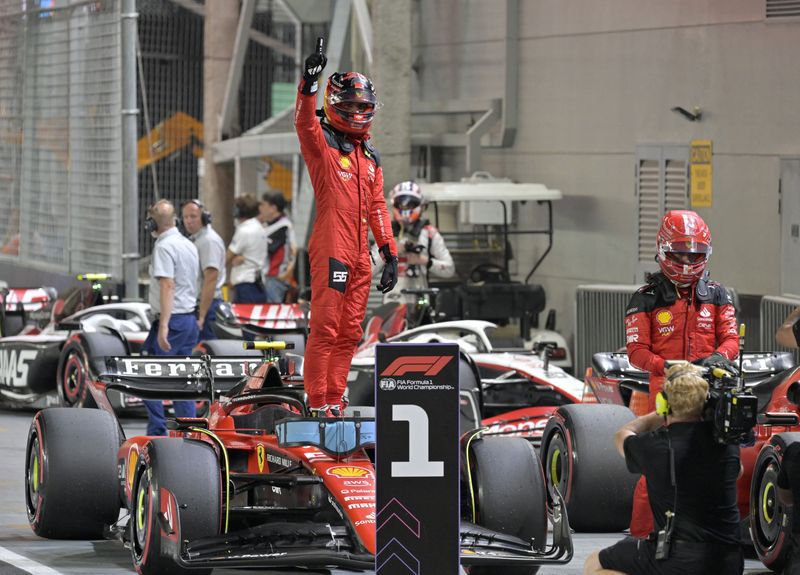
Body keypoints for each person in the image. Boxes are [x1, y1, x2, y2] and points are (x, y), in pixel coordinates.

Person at [295, 42, 398, 417]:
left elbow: (377, 206)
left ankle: (336, 400)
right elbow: (304, 123)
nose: (357, 112)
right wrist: (308, 83)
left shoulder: (369, 155)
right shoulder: (321, 145)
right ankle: (318, 400)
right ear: (336, 103)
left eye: (363, 106)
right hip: (331, 247)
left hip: (360, 255)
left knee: (351, 331)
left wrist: (389, 251)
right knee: (324, 328)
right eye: (351, 105)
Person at [624, 209, 739, 537]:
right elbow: (637, 353)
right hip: (665, 392)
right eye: (680, 253)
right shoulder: (645, 299)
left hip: (709, 388)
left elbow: (731, 340)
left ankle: (702, 534)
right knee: (658, 468)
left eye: (695, 254)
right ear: (662, 249)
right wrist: (669, 367)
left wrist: (716, 359)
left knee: (712, 464)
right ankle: (644, 536)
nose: (688, 261)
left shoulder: (718, 295)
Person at [584, 362, 743, 575]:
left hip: (679, 559)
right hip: (729, 561)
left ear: (664, 404)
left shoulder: (654, 446)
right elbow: (738, 471)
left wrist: (658, 415)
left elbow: (622, 435)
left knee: (594, 563)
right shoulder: (726, 444)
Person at [143, 199, 200, 436]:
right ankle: (188, 429)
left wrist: (164, 325)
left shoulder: (164, 247)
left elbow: (168, 284)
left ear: (152, 223)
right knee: (182, 378)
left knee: (149, 374)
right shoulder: (188, 244)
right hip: (188, 319)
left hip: (172, 320)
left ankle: (157, 429)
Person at [372, 181, 455, 305]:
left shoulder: (429, 233)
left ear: (421, 205)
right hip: (391, 302)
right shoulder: (385, 233)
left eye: (410, 204)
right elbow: (368, 271)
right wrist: (389, 252)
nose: (405, 207)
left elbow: (449, 269)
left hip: (420, 300)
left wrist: (423, 260)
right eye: (401, 203)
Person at [182, 199, 226, 340]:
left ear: (204, 218)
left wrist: (201, 315)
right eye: (185, 217)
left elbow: (210, 279)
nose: (189, 221)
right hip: (200, 304)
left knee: (208, 352)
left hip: (207, 306)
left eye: (193, 216)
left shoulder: (208, 241)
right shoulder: (196, 240)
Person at [227, 194, 268, 303]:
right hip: (258, 283)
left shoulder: (244, 230)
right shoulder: (259, 227)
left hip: (246, 285)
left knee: (243, 318)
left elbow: (228, 256)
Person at [260, 191, 296, 303]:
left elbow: (293, 250)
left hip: (275, 277)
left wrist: (288, 271)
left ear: (273, 208)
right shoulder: (268, 225)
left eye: (263, 205)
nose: (260, 208)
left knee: (272, 312)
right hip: (266, 276)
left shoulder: (283, 226)